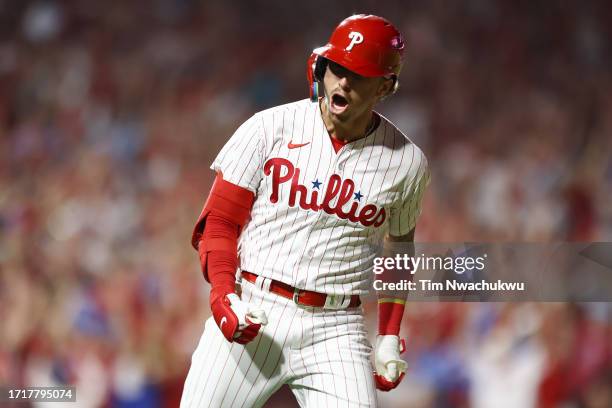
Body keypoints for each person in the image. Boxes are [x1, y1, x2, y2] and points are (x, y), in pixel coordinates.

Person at [180, 14, 429, 407]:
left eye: (359, 74)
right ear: (321, 66)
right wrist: (223, 294)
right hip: (256, 305)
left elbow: (399, 251)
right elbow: (220, 223)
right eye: (338, 68)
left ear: (385, 86)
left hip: (337, 329)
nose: (343, 81)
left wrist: (388, 335)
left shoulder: (407, 162)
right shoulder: (269, 127)